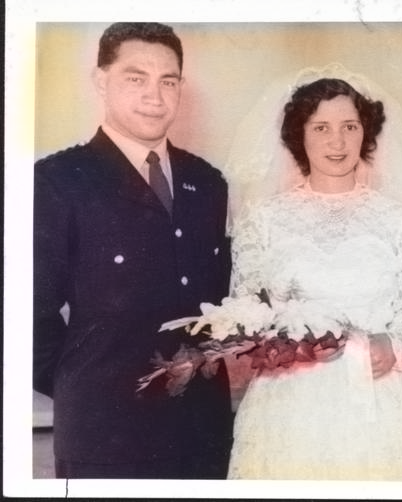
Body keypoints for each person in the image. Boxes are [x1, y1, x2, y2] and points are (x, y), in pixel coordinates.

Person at [223, 65, 402, 481]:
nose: (337, 141)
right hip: (290, 401)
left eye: (349, 126)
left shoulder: (398, 220)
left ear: (366, 133)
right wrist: (278, 344)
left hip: (378, 398)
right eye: (321, 128)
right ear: (299, 135)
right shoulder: (264, 221)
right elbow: (244, 311)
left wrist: (392, 344)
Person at [33, 22, 233, 479]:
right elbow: (26, 312)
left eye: (168, 81)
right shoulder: (59, 180)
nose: (154, 96)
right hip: (106, 433)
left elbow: (218, 302)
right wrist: (80, 388)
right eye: (135, 78)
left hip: (202, 431)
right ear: (101, 80)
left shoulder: (207, 182)